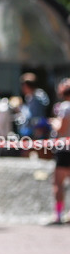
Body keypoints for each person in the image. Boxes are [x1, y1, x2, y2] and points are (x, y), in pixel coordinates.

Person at [52, 78, 70, 224]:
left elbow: (62, 129)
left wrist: (54, 123)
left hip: (64, 149)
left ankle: (58, 214)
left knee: (58, 184)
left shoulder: (65, 107)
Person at [19, 73, 51, 139]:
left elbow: (32, 116)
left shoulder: (37, 97)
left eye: (23, 86)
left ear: (26, 85)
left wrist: (20, 108)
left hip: (38, 131)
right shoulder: (30, 97)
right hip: (34, 130)